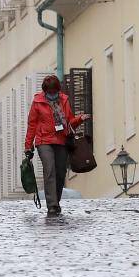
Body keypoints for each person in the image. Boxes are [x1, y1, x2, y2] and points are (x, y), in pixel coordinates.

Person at [23, 74, 88, 217]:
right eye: (50, 92)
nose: (52, 95)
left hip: (61, 140)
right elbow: (32, 124)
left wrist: (80, 119)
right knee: (49, 169)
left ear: (58, 90)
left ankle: (56, 201)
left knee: (60, 173)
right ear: (45, 91)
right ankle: (52, 205)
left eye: (54, 92)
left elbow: (69, 122)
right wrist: (28, 145)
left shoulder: (64, 100)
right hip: (44, 141)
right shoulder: (38, 102)